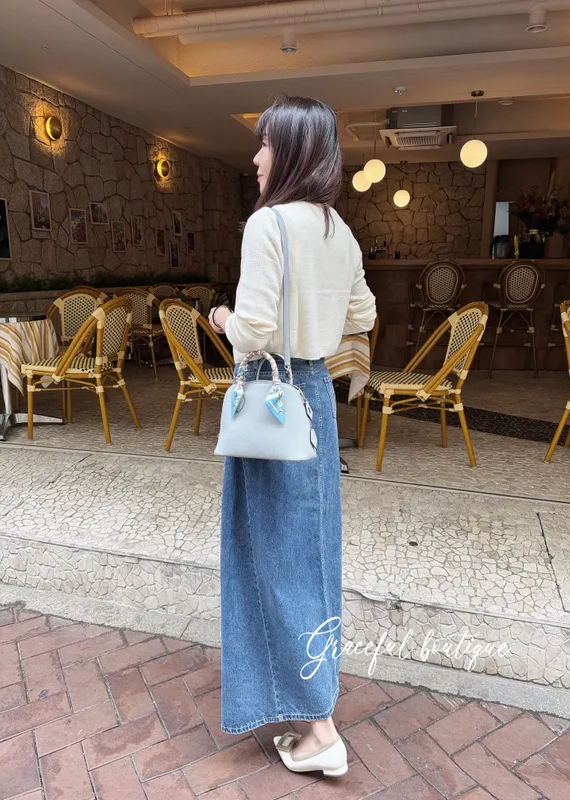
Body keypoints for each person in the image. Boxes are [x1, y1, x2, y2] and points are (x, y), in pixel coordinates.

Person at [208, 94, 377, 777]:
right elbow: (363, 315)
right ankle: (313, 704)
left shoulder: (267, 223)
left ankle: (318, 729)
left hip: (269, 396)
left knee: (270, 554)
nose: (256, 157)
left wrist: (221, 318)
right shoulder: (340, 231)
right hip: (315, 396)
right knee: (310, 551)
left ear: (294, 152)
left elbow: (251, 332)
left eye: (266, 143)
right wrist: (315, 318)